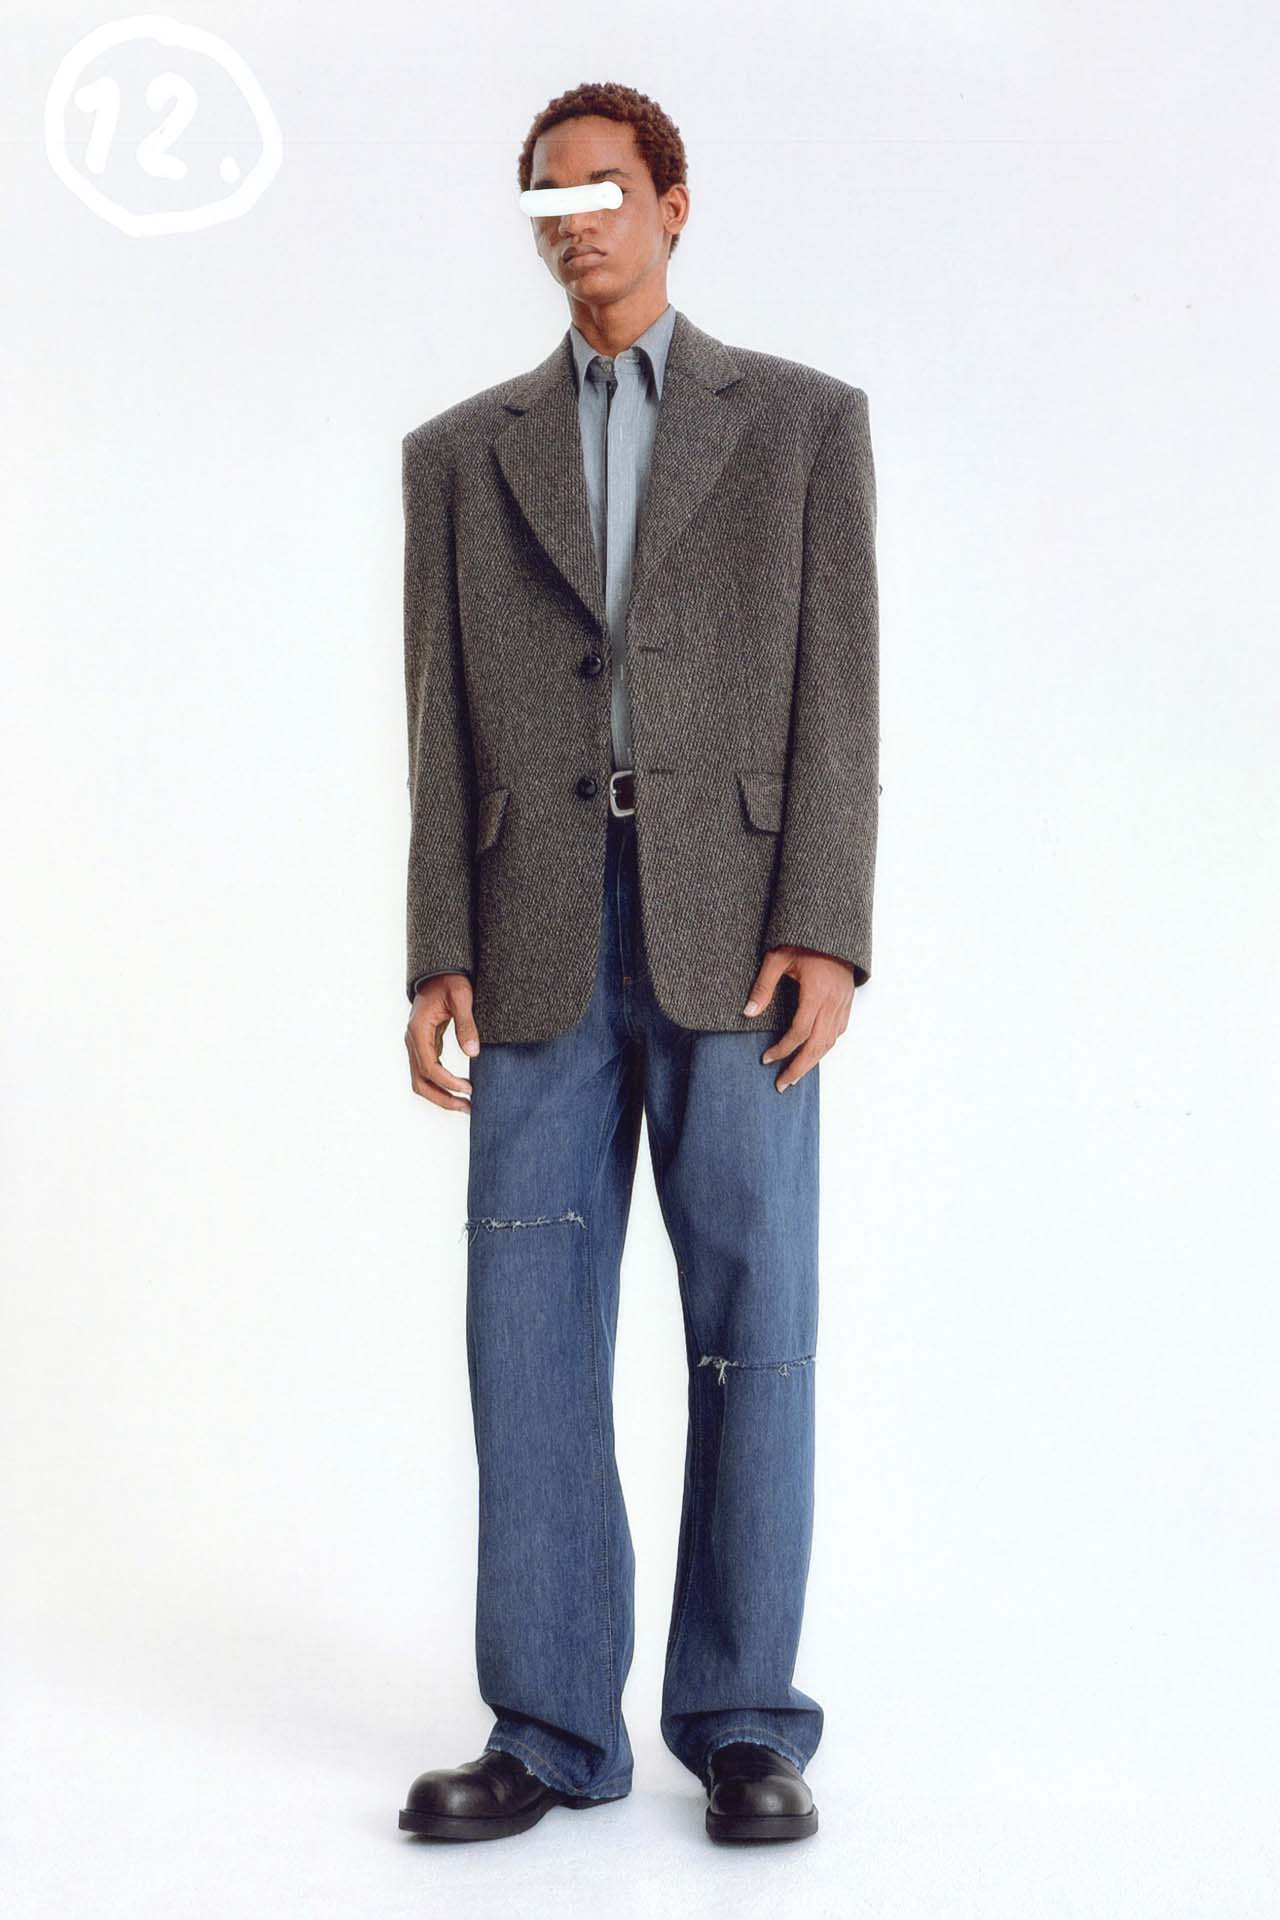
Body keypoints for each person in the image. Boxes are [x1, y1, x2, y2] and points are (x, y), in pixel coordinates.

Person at [397, 79, 879, 1846]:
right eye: (546, 198)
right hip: (533, 929)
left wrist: (829, 927)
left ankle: (746, 1719)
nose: (575, 221)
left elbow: (841, 697)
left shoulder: (803, 425)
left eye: (603, 188)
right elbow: (436, 720)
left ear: (674, 204)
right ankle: (545, 1728)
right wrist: (435, 944)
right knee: (526, 1332)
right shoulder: (461, 454)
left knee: (756, 1326)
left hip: (741, 935)